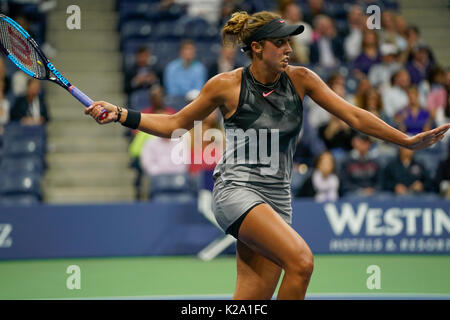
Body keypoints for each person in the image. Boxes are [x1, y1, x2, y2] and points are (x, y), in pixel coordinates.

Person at [85, 11, 450, 300]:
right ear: (257, 47)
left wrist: (405, 139)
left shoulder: (302, 79)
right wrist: (120, 113)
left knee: (252, 300)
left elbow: (353, 115)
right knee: (302, 262)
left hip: (278, 198)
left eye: (289, 42)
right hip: (236, 191)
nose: (289, 48)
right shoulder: (225, 85)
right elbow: (176, 124)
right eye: (280, 42)